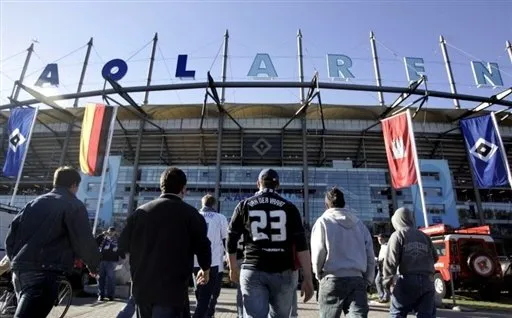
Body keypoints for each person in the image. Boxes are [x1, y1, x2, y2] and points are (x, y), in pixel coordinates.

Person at [5, 166, 101, 318]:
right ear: (74, 185)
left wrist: (15, 259)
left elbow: (11, 235)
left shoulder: (33, 203)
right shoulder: (73, 205)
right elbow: (83, 240)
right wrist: (94, 265)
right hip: (45, 270)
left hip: (20, 270)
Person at [119, 167, 212, 318]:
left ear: (161, 186)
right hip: (172, 290)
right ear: (183, 189)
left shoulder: (139, 213)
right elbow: (202, 245)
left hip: (142, 288)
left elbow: (122, 244)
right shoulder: (191, 214)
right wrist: (205, 269)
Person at [226, 168, 314, 318]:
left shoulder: (244, 205)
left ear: (257, 184)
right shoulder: (290, 207)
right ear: (277, 185)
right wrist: (308, 277)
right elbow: (302, 246)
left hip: (253, 268)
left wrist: (233, 267)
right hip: (283, 271)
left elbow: (231, 239)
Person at [310, 187, 375, 318]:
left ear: (326, 205)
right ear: (344, 203)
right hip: (357, 278)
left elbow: (319, 252)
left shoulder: (323, 222)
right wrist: (368, 279)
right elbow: (370, 254)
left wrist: (318, 274)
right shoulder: (359, 224)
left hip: (332, 278)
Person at [383, 207, 438, 318]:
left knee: (397, 312)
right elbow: (435, 257)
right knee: (426, 315)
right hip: (428, 281)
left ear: (397, 220)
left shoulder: (398, 235)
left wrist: (387, 282)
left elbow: (390, 261)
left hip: (407, 280)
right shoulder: (424, 236)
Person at [192, 194, 227, 318]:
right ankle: (205, 315)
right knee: (210, 295)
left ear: (202, 203)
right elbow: (225, 239)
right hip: (213, 262)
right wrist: (228, 257)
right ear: (214, 204)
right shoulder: (220, 217)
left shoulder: (194, 215)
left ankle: (203, 313)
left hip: (195, 262)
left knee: (199, 293)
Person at [96, 226, 123, 301]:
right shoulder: (103, 238)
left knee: (111, 279)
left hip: (113, 261)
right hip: (102, 261)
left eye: (112, 231)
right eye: (110, 231)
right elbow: (96, 242)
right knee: (101, 278)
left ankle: (111, 295)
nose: (111, 233)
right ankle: (101, 295)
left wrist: (122, 260)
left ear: (115, 232)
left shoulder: (118, 239)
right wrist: (102, 234)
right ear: (107, 231)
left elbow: (122, 247)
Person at [374, 234, 390, 303]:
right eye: (378, 239)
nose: (379, 240)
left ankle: (384, 297)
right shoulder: (383, 246)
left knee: (382, 282)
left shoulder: (386, 246)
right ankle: (383, 296)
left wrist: (379, 260)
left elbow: (386, 257)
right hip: (381, 266)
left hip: (383, 266)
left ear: (384, 239)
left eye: (380, 239)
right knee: (379, 281)